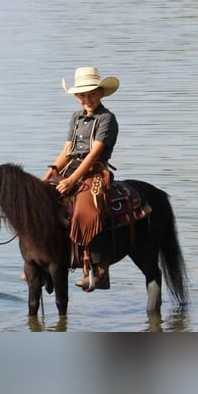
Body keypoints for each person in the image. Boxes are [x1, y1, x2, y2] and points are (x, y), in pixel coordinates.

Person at [41, 67, 119, 290]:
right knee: (41, 201)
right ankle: (45, 261)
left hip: (95, 169)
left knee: (88, 209)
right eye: (82, 95)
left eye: (92, 93)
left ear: (101, 93)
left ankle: (101, 270)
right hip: (71, 168)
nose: (87, 99)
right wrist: (48, 176)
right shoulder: (76, 117)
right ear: (76, 97)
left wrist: (73, 180)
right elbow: (67, 149)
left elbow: (94, 153)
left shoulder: (107, 119)